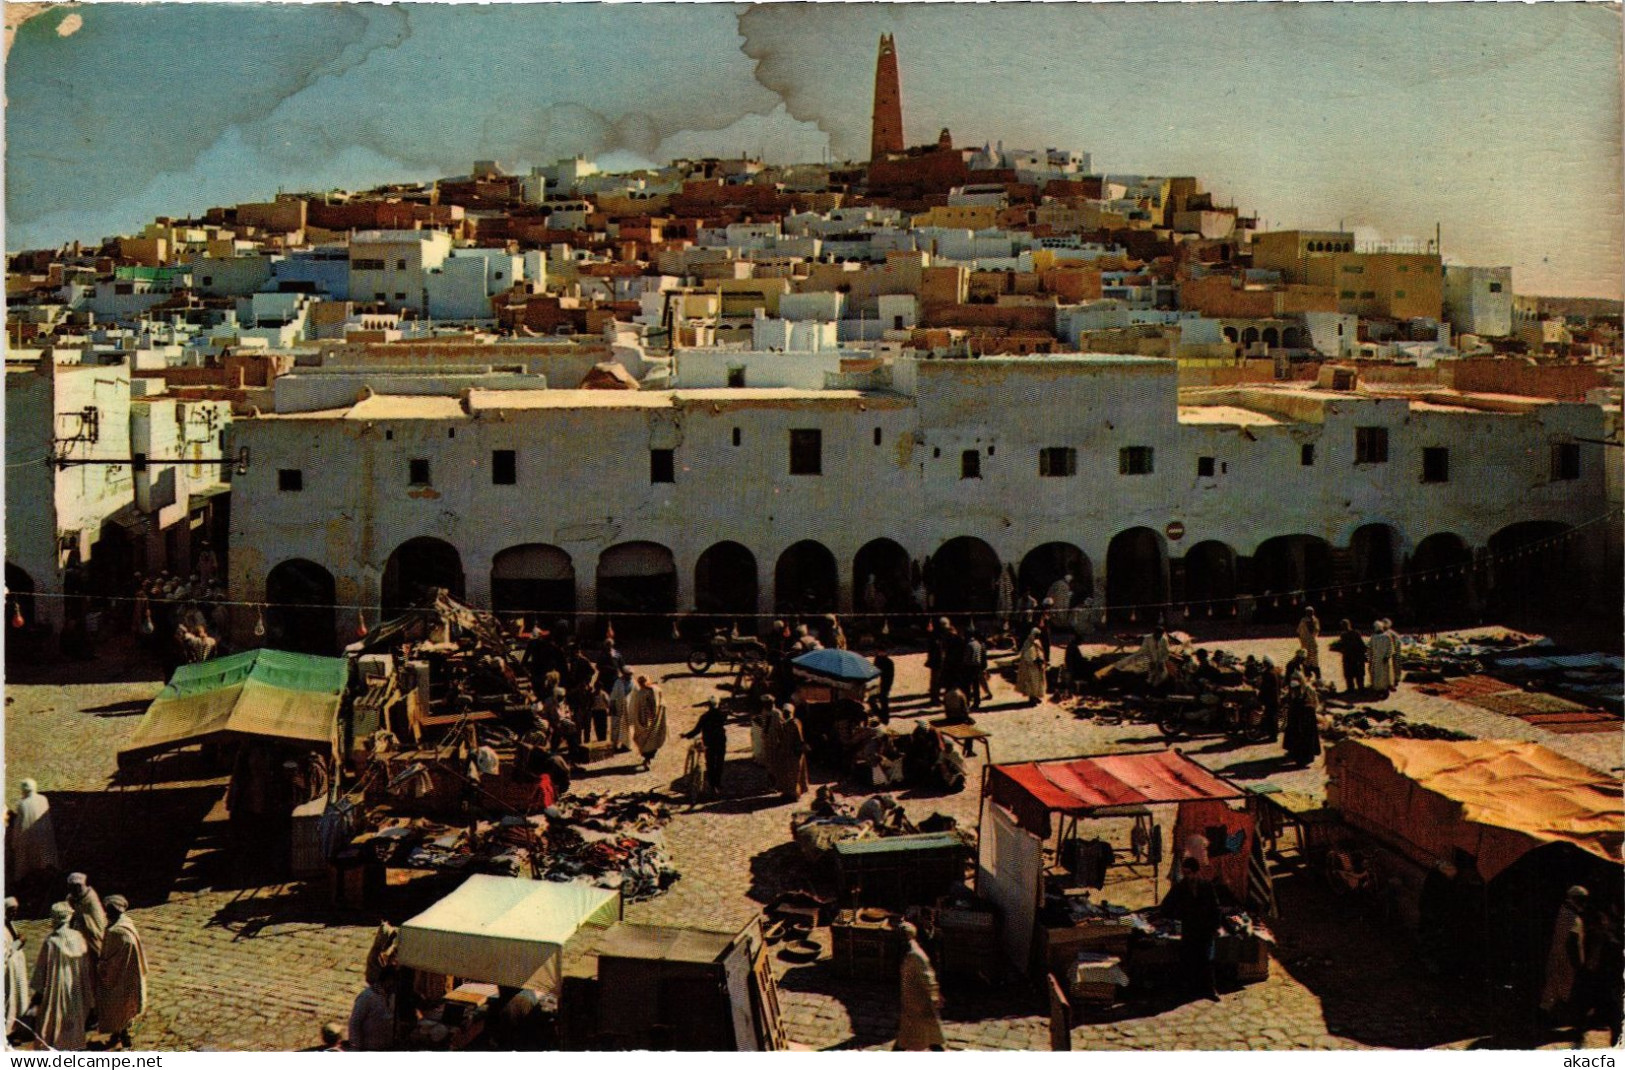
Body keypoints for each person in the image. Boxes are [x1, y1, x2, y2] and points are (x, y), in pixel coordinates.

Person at [29, 902, 93, 1050]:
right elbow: (85, 965)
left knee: (54, 1016)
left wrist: (38, 993)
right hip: (75, 984)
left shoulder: (51, 942)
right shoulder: (77, 937)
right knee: (73, 1015)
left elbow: (41, 970)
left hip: (55, 986)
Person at [1159, 857, 1222, 1002]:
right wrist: (1180, 915)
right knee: (1189, 960)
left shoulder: (1206, 886)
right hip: (1189, 929)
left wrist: (1215, 926)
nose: (1186, 876)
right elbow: (1166, 907)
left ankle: (1210, 990)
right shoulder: (1180, 887)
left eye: (1189, 873)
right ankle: (1190, 991)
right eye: (1184, 873)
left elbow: (1215, 907)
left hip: (1205, 929)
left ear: (1196, 872)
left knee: (1206, 960)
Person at [97, 895, 147, 1048]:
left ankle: (122, 1035)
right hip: (128, 974)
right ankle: (120, 1034)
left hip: (118, 975)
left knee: (116, 1005)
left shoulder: (116, 932)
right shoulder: (126, 922)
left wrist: (102, 967)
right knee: (123, 1007)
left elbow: (112, 958)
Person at [1540, 886, 1589, 1028]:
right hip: (1566, 959)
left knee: (1553, 987)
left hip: (1558, 955)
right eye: (1582, 900)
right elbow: (1572, 942)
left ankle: (1548, 1017)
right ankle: (1551, 1019)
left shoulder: (1562, 912)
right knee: (1562, 989)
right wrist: (1578, 963)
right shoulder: (1571, 916)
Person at [894, 921, 945, 1051]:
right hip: (912, 1002)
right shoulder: (907, 951)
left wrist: (934, 996)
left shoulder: (915, 955)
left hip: (920, 1002)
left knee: (927, 1036)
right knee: (926, 1035)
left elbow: (928, 976)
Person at [9, 779, 59, 887]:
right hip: (44, 836)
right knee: (43, 860)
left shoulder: (21, 803)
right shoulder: (43, 799)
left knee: (28, 862)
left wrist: (15, 841)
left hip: (28, 838)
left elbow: (19, 825)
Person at [682, 699, 730, 797]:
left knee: (710, 764)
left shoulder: (704, 717)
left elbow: (696, 730)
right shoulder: (721, 715)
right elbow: (726, 716)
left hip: (709, 743)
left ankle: (712, 785)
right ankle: (717, 784)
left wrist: (686, 735)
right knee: (719, 763)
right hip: (720, 742)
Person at [348, 968, 397, 1052]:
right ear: (386, 981)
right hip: (369, 1047)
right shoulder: (367, 997)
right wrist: (356, 1046)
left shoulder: (392, 996)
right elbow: (355, 1023)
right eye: (394, 982)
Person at [769, 704, 810, 803]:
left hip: (793, 753)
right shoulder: (786, 723)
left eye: (787, 713)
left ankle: (794, 794)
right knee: (786, 773)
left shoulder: (795, 723)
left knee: (794, 774)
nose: (785, 714)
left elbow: (799, 739)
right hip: (786, 752)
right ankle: (787, 793)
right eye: (785, 712)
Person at [1281, 675, 1322, 768]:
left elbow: (1315, 702)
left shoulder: (1308, 690)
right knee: (1297, 738)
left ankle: (1305, 759)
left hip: (1306, 718)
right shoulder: (1294, 691)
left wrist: (1309, 711)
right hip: (1297, 718)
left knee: (1306, 739)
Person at [65, 874, 107, 963]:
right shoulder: (71, 897)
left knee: (95, 953)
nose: (71, 890)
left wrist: (82, 918)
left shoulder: (90, 898)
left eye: (73, 887)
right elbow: (69, 912)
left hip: (91, 931)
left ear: (79, 886)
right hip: (79, 931)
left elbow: (96, 919)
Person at [629, 675, 667, 771]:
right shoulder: (640, 693)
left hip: (652, 722)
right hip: (644, 723)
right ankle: (647, 760)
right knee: (645, 741)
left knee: (650, 741)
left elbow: (658, 704)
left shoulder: (651, 691)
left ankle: (647, 760)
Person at [5, 899, 28, 1041]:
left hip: (15, 969)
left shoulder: (9, 924)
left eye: (15, 910)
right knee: (9, 1000)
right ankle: (7, 1032)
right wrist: (20, 942)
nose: (14, 913)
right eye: (10, 910)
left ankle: (14, 1027)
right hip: (7, 971)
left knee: (17, 998)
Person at [1330, 620, 1367, 694]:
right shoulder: (1354, 633)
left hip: (1351, 657)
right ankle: (1359, 689)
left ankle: (1354, 689)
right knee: (1355, 674)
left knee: (1352, 674)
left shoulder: (1347, 635)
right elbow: (1362, 645)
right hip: (1354, 657)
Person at [1015, 628, 1047, 705]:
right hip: (1030, 667)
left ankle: (1036, 697)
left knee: (1038, 683)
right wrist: (1035, 660)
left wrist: (1042, 660)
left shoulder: (1036, 642)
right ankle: (1032, 698)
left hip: (1037, 666)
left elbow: (1040, 652)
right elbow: (1027, 656)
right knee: (1031, 683)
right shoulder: (1027, 643)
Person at [1367, 619, 1398, 695]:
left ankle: (1383, 688)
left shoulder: (1384, 637)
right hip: (1380, 660)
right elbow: (1370, 649)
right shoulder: (1376, 637)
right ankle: (1380, 688)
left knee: (1383, 675)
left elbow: (1390, 648)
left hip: (1381, 660)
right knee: (1380, 674)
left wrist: (1387, 656)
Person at [608, 666, 635, 752]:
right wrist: (612, 707)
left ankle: (626, 745)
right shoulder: (618, 682)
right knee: (616, 726)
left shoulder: (633, 682)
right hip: (618, 707)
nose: (629, 676)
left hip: (628, 708)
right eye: (628, 674)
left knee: (627, 727)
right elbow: (613, 696)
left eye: (631, 674)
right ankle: (614, 745)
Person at [963, 627, 990, 709]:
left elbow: (966, 658)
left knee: (967, 686)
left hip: (970, 666)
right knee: (976, 685)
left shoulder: (969, 644)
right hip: (977, 666)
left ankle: (967, 703)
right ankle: (977, 702)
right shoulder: (978, 643)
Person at [1256, 657, 1281, 738]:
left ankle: (1273, 736)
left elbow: (1264, 688)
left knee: (1271, 717)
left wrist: (1260, 698)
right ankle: (1272, 734)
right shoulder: (1275, 672)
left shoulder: (1268, 673)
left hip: (1270, 699)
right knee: (1273, 717)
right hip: (1276, 698)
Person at [1296, 607, 1321, 681]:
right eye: (1309, 612)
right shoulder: (1303, 621)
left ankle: (1318, 678)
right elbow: (1299, 631)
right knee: (1306, 660)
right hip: (1305, 643)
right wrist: (1301, 640)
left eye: (1311, 612)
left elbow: (1317, 630)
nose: (1310, 614)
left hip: (1313, 643)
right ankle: (1307, 676)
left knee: (1314, 660)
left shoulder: (1315, 620)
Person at [872, 645, 895, 723]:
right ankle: (881, 716)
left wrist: (887, 687)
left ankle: (885, 719)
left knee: (883, 702)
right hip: (876, 684)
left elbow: (890, 676)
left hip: (885, 684)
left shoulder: (889, 662)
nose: (880, 653)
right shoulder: (877, 659)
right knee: (871, 700)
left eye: (882, 652)